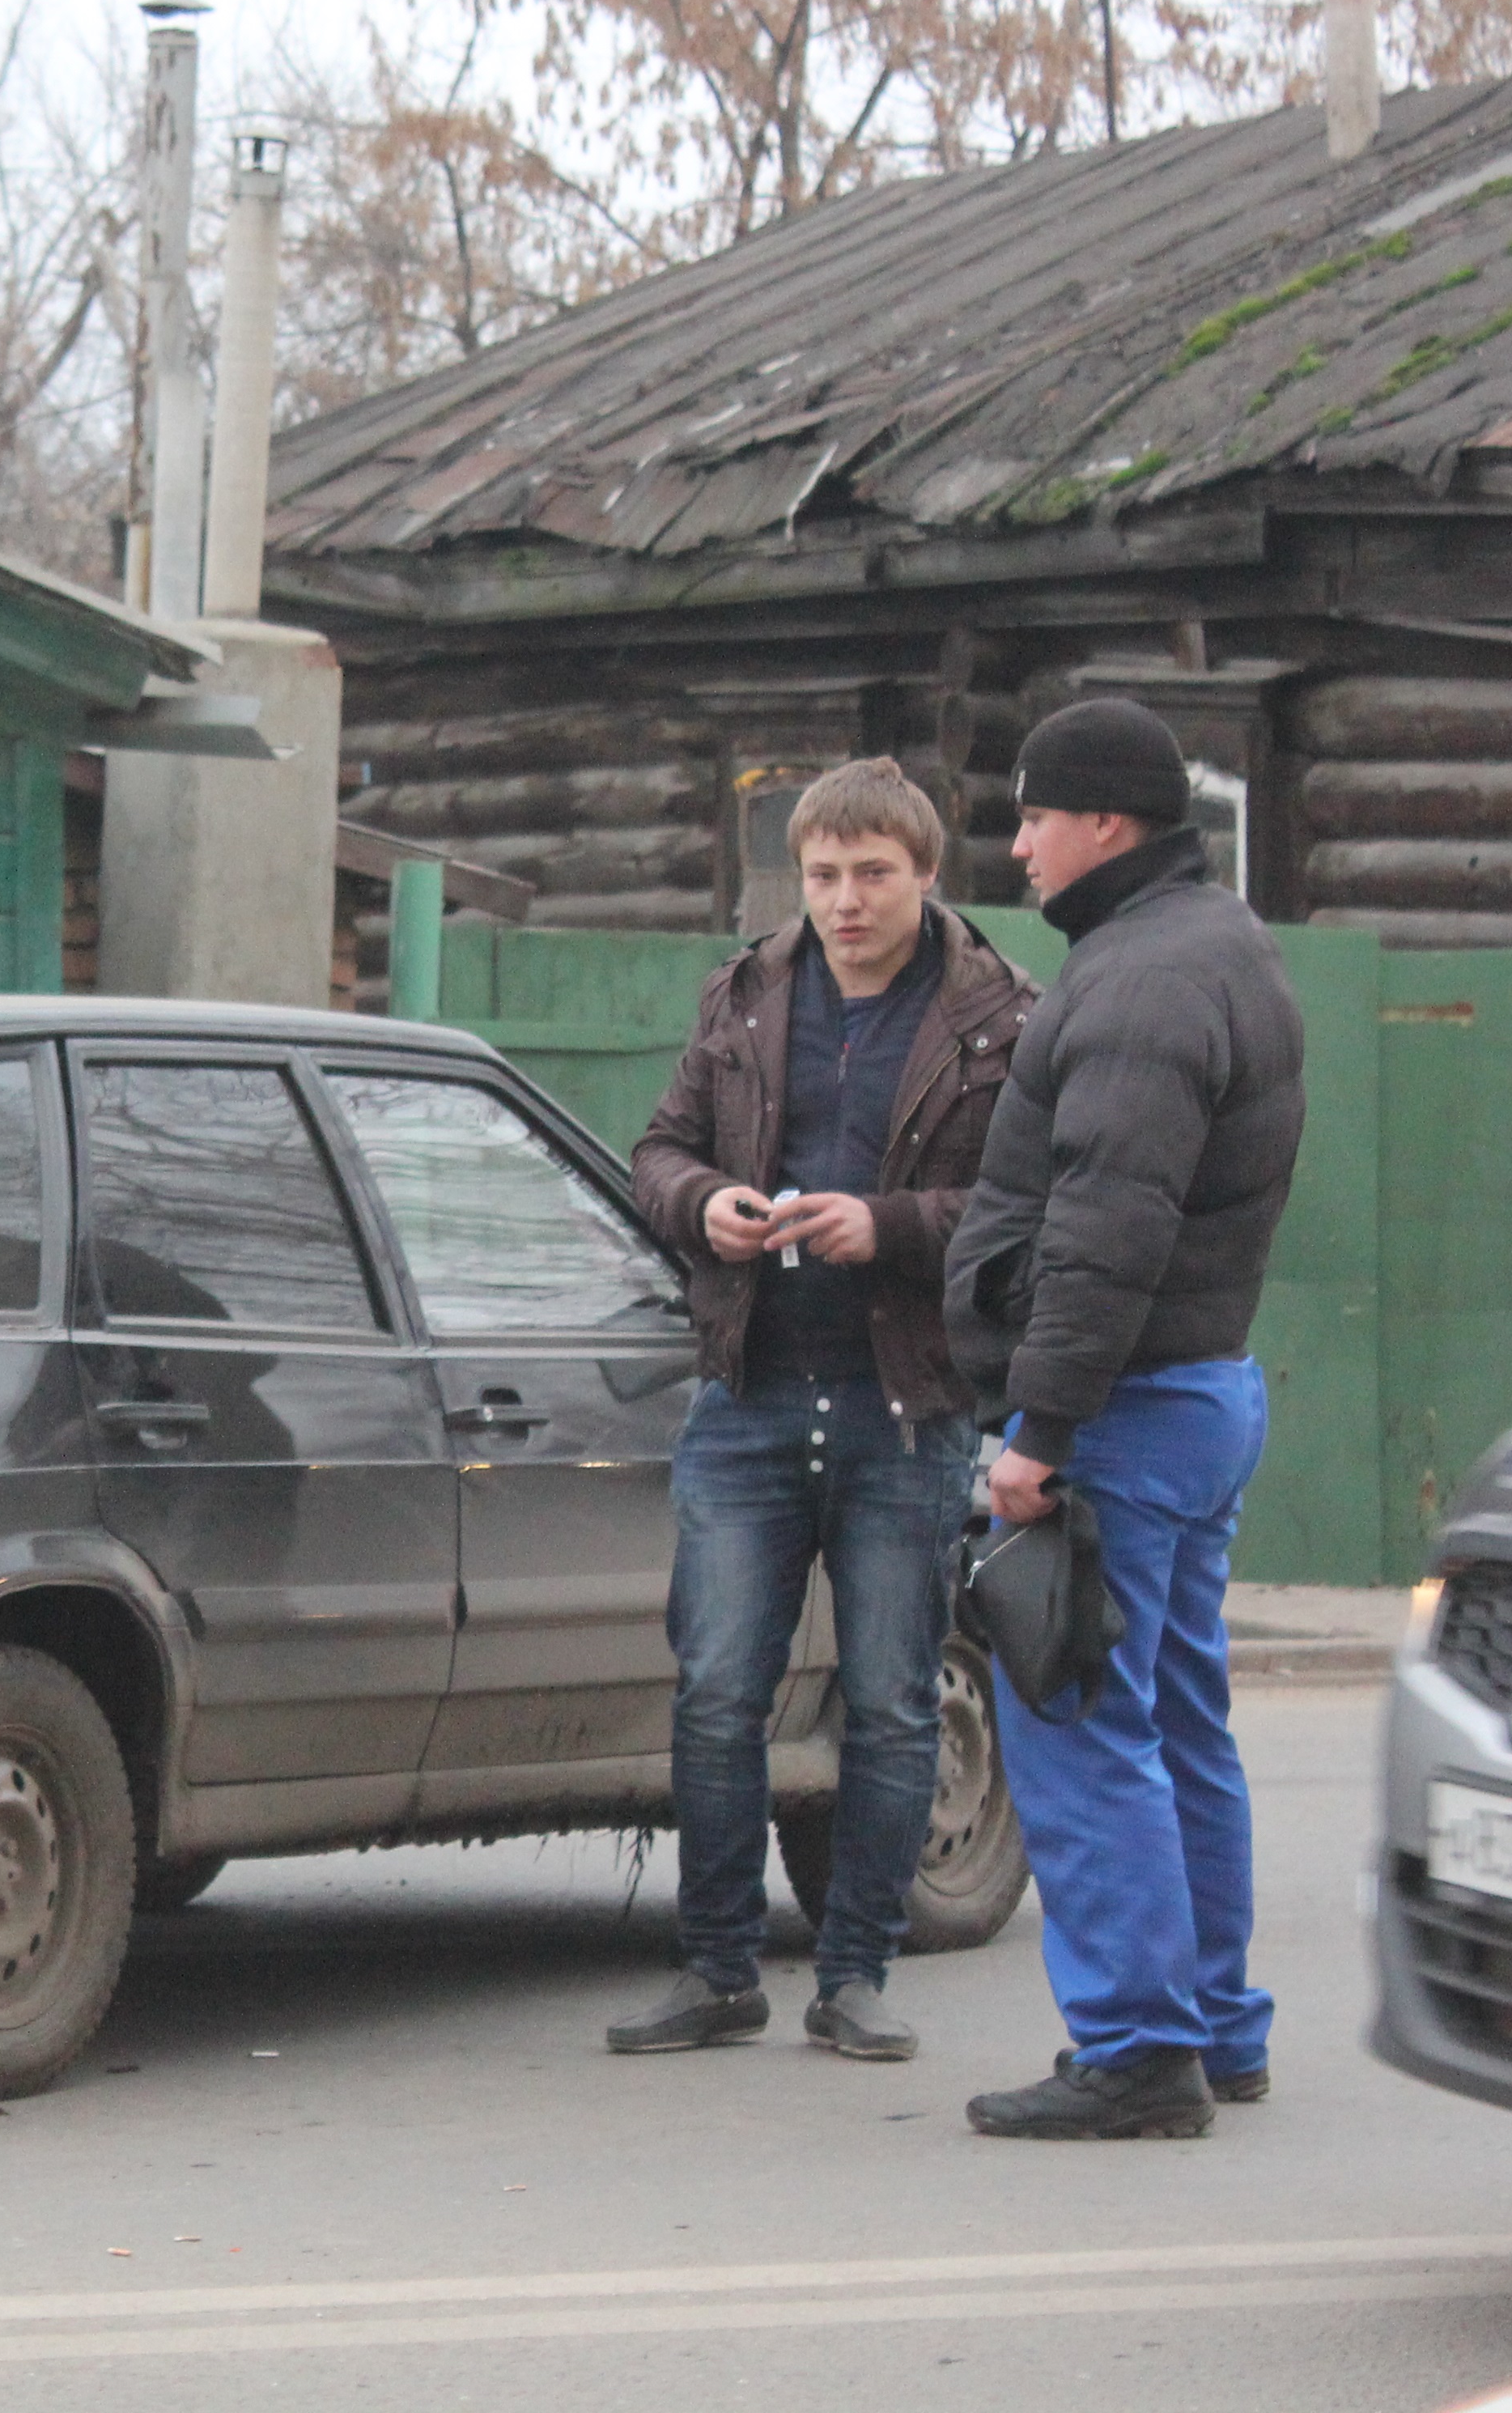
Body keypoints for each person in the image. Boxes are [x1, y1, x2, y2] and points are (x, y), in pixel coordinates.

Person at [611, 758, 1036, 2065]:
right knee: (717, 1690)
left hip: (902, 1404)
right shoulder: (745, 992)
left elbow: (1027, 1208)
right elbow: (658, 1155)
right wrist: (706, 1209)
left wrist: (888, 1225)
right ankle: (718, 1968)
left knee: (896, 1699)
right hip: (748, 1394)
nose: (845, 902)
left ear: (925, 876)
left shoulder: (1001, 1019)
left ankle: (855, 1976)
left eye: (872, 875)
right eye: (823, 876)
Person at [942, 695, 1305, 2141]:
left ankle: (1141, 2049)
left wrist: (1037, 1431)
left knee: (1080, 1717)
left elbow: (1106, 1227)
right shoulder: (1212, 943)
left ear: (1107, 822)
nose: (1018, 845)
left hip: (1121, 1413)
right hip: (1197, 1388)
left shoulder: (1146, 982)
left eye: (1033, 816)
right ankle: (1216, 2026)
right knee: (1178, 1719)